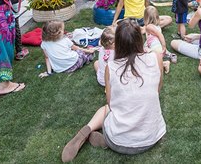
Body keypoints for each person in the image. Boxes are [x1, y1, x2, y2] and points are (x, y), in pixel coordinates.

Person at [61, 20, 165, 161]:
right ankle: (105, 140)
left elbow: (110, 103)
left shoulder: (112, 67)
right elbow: (157, 90)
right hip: (151, 138)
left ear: (118, 43)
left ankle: (87, 131)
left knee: (107, 109)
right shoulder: (156, 58)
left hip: (118, 141)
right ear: (140, 39)